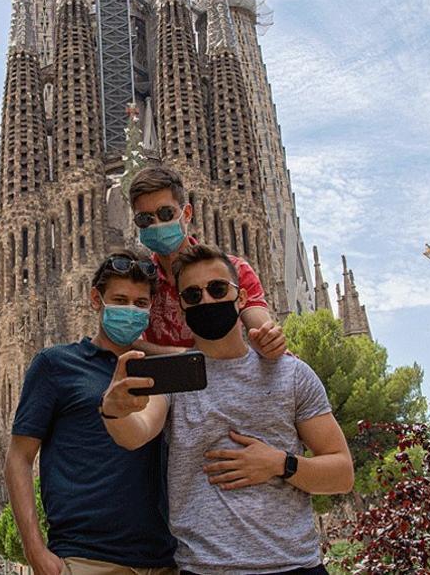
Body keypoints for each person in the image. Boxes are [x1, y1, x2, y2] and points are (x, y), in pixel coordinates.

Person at [100, 244, 354, 575]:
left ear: (242, 297)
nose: (206, 300)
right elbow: (136, 432)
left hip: (295, 566)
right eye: (192, 295)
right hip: (205, 569)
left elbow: (342, 473)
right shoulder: (173, 374)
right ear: (181, 306)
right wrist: (113, 411)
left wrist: (281, 463)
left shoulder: (291, 373)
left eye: (217, 289)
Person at [6, 251, 177, 575]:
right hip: (85, 558)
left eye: (140, 304)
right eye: (120, 300)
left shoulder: (157, 373)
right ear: (96, 300)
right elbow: (19, 457)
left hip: (161, 560)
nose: (130, 311)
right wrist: (34, 548)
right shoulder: (55, 365)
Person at [127, 166, 286, 359]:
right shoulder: (138, 281)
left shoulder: (232, 270)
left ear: (186, 214)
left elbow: (260, 326)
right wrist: (192, 357)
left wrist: (268, 340)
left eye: (166, 213)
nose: (157, 224)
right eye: (145, 219)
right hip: (168, 386)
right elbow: (127, 341)